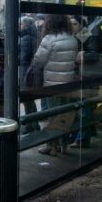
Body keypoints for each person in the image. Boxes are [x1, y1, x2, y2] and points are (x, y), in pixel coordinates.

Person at [31, 14, 78, 156]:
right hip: (68, 84)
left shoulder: (49, 39)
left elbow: (38, 61)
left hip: (52, 84)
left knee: (53, 115)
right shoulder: (72, 39)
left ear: (50, 24)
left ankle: (52, 146)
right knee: (65, 115)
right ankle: (64, 146)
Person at [69, 15, 102, 148]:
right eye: (70, 24)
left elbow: (94, 54)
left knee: (85, 107)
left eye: (74, 24)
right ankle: (90, 132)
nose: (72, 26)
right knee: (89, 105)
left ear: (81, 24)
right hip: (86, 77)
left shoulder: (85, 34)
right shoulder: (80, 34)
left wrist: (79, 56)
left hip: (89, 77)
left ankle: (82, 140)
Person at [19, 16, 40, 134]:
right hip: (31, 72)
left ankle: (30, 125)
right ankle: (34, 124)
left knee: (27, 101)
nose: (19, 26)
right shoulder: (34, 35)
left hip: (25, 73)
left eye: (21, 24)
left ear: (25, 26)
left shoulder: (25, 38)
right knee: (30, 100)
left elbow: (23, 58)